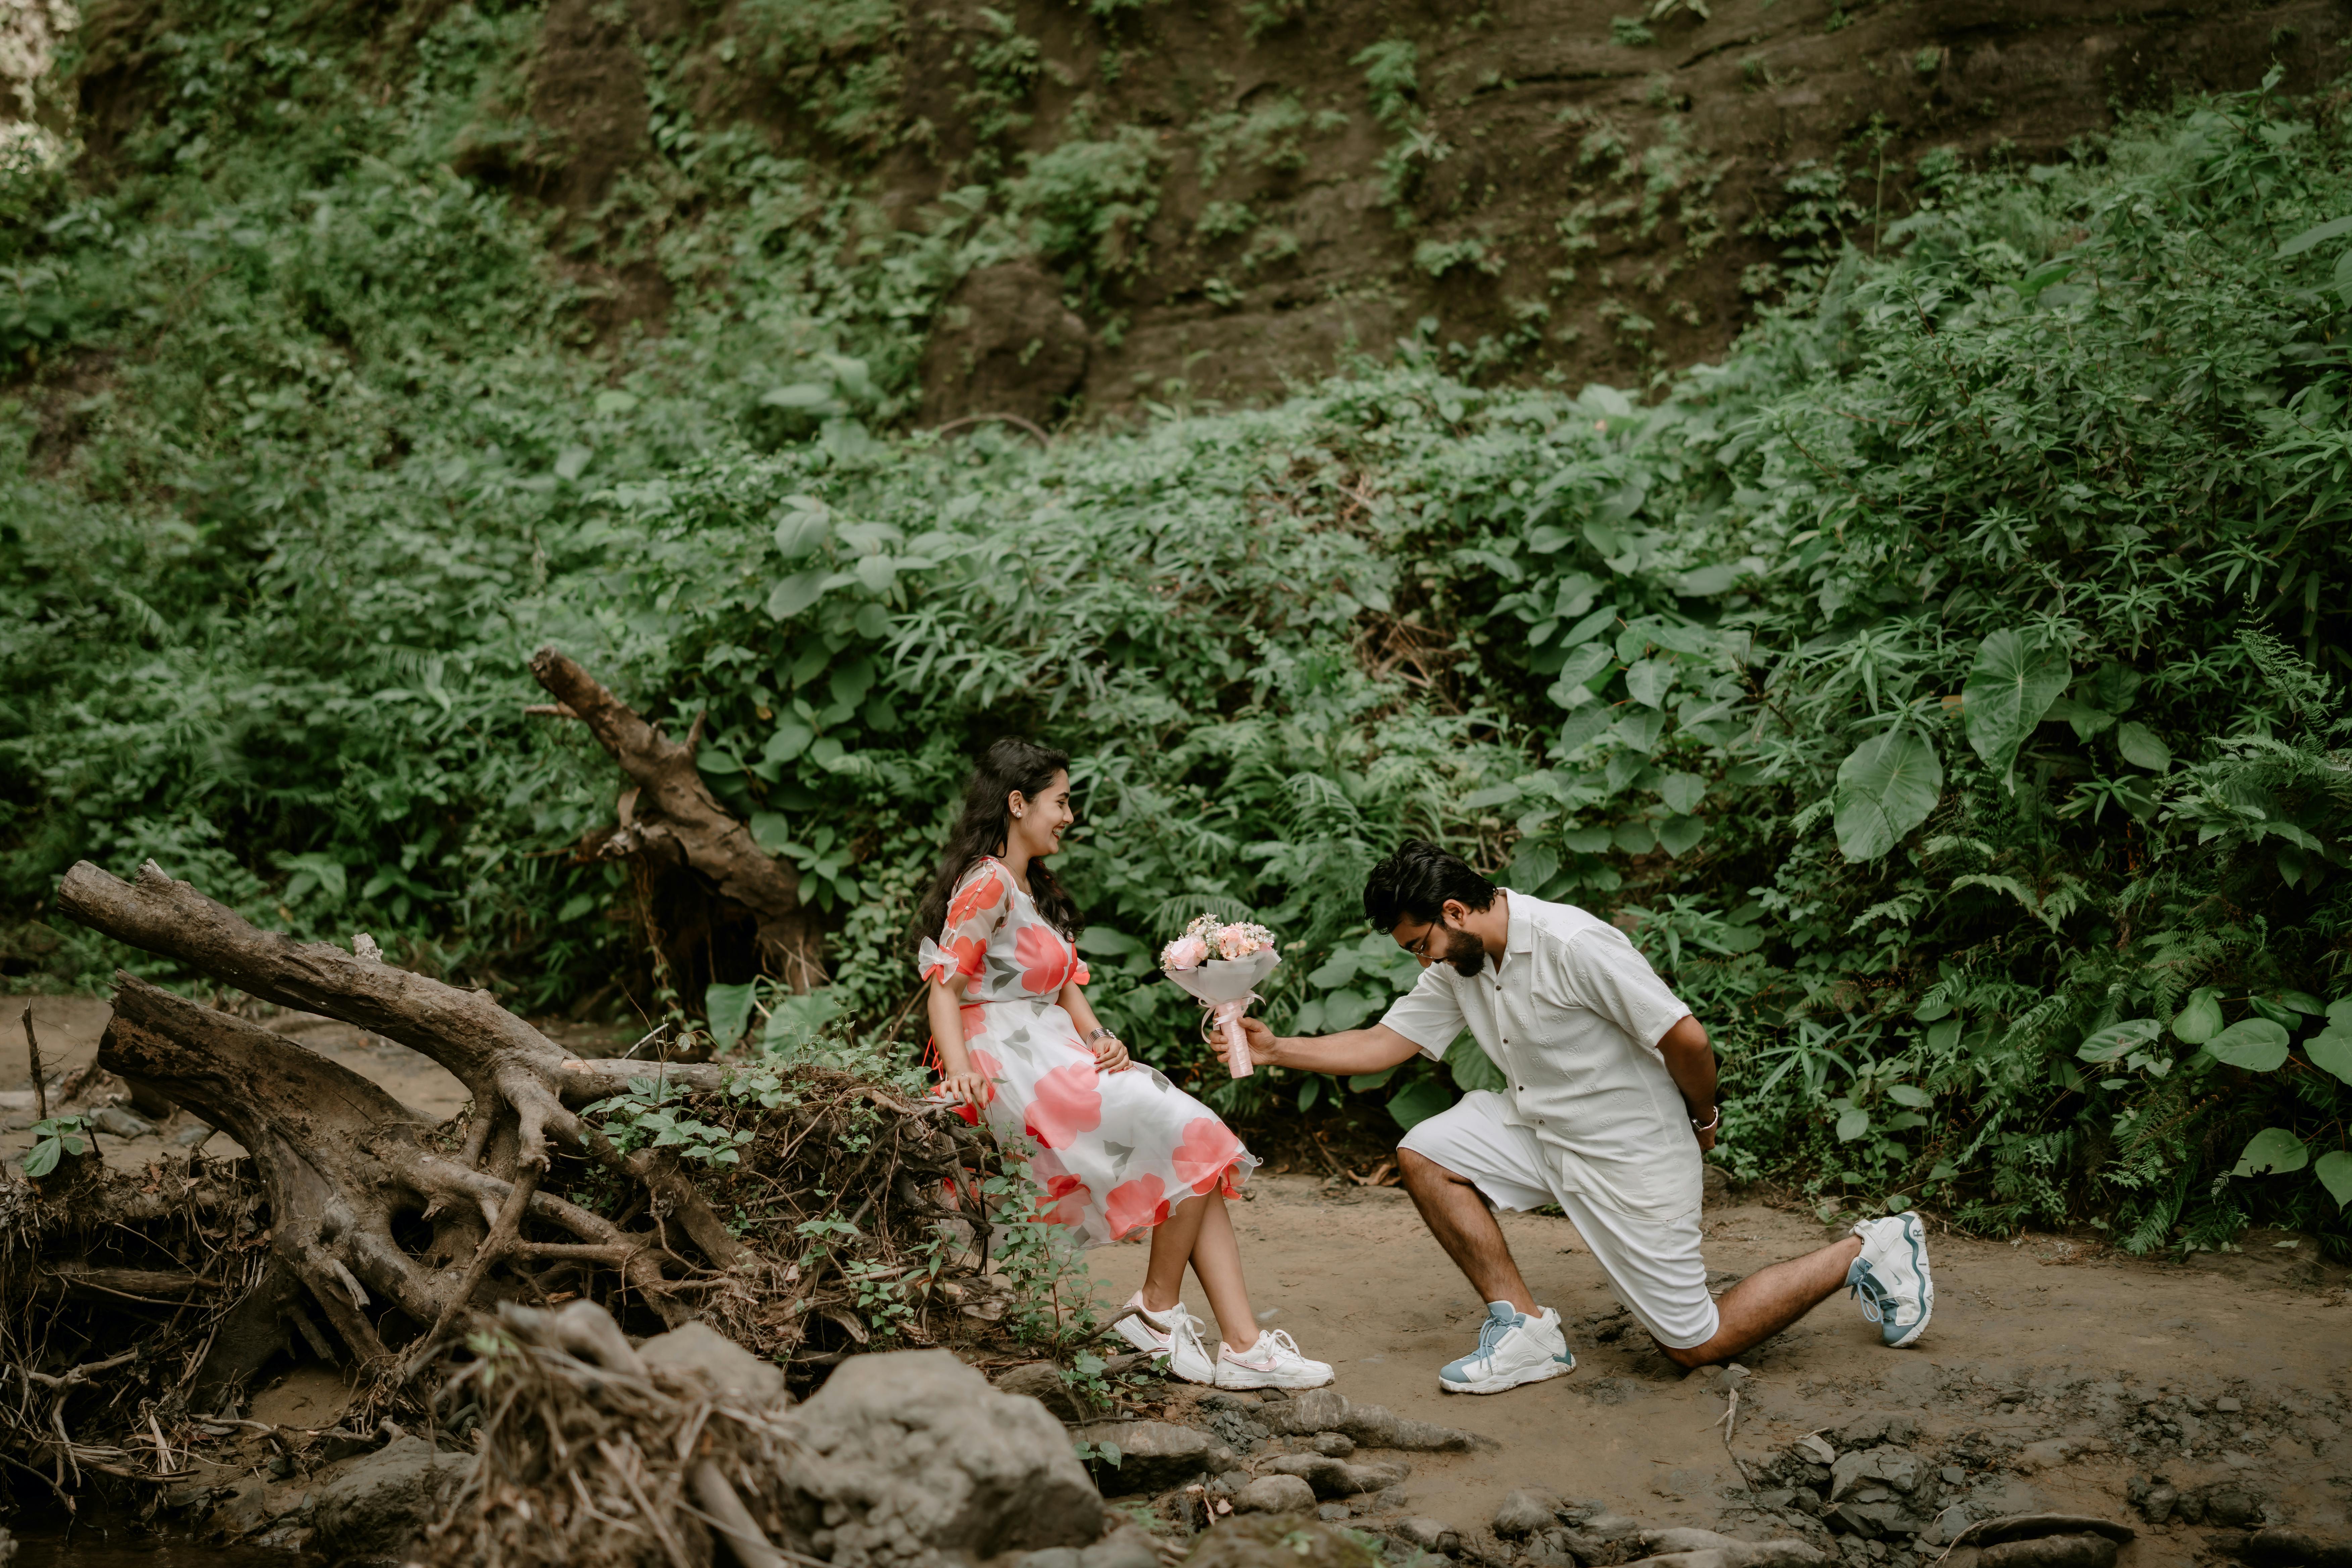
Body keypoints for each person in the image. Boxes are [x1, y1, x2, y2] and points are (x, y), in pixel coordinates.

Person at [1232, 839, 1933, 1394]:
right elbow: (1388, 1043)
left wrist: (1704, 1114)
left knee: (1697, 1344)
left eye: (1421, 943)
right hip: (1539, 1129)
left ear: (1453, 911)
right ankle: (1527, 1330)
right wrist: (1276, 1049)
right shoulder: (1460, 964)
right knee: (1427, 1150)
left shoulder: (1573, 942)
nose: (1423, 960)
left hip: (1632, 1150)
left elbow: (1685, 1037)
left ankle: (1868, 1249)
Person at [918, 737, 1332, 1391]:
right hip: (1013, 1062)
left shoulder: (1032, 886)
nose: (1070, 815)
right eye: (1061, 801)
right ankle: (1158, 1310)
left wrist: (1100, 1035)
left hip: (1058, 1050)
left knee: (1198, 1153)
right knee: (1194, 1137)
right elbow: (945, 985)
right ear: (1018, 802)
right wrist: (960, 1071)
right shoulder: (988, 879)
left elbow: (1064, 985)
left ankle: (1241, 1344)